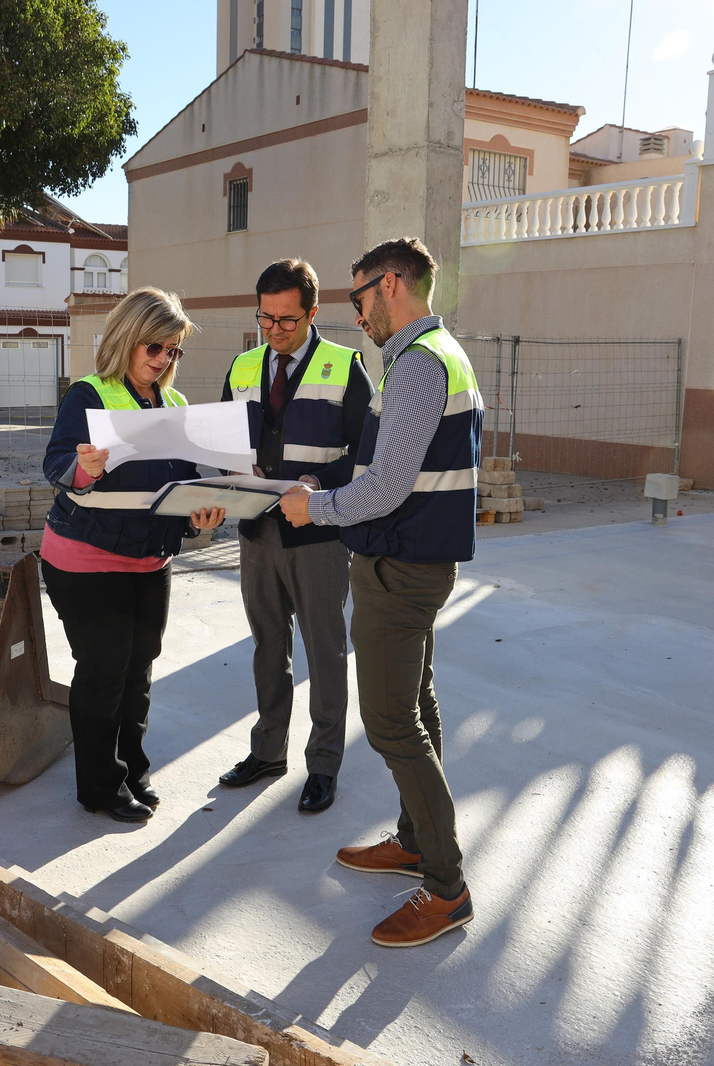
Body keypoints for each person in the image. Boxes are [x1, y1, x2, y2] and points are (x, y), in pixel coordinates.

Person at [278, 237, 484, 947]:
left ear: (390, 284)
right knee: (416, 706)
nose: (356, 312)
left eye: (357, 296)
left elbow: (389, 487)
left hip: (401, 569)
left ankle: (446, 887)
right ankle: (415, 841)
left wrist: (318, 509)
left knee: (393, 723)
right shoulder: (430, 357)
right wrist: (328, 488)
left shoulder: (422, 365)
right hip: (411, 561)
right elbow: (390, 469)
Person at [41, 287, 226, 824]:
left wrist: (202, 513)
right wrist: (87, 468)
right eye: (154, 347)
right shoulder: (88, 395)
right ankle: (99, 787)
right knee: (104, 671)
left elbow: (185, 484)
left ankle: (131, 771)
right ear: (126, 339)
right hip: (86, 558)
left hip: (151, 562)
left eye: (173, 350)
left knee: (139, 668)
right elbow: (56, 465)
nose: (163, 359)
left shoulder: (176, 406)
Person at [217, 259, 374, 813]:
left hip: (320, 538)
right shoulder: (241, 368)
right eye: (266, 318)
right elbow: (222, 444)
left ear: (312, 312)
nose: (276, 329)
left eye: (287, 319)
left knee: (326, 651)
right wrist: (234, 475)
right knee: (268, 648)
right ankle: (268, 752)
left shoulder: (345, 367)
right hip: (257, 534)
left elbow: (368, 454)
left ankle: (324, 765)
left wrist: (317, 481)